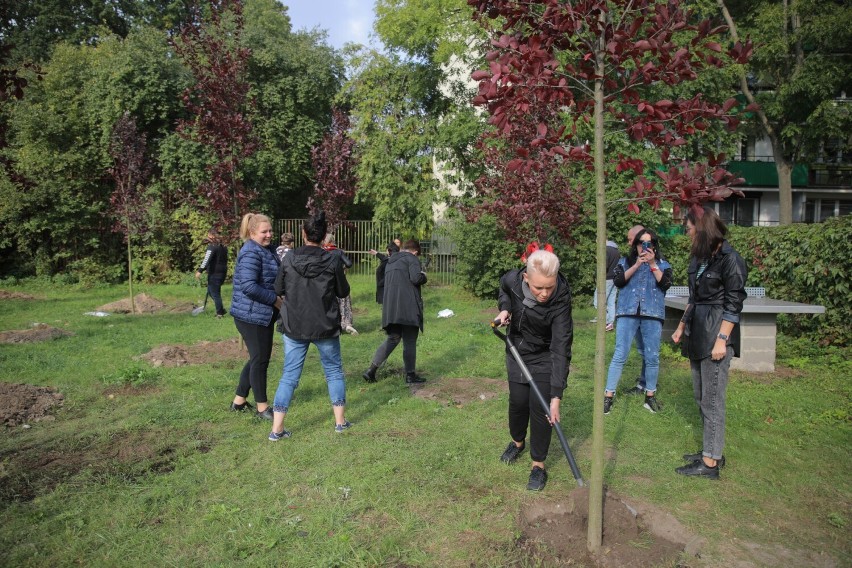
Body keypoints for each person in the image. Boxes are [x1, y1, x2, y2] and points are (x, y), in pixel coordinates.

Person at [673, 206, 747, 479]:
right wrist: (681, 326)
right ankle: (710, 450)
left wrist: (722, 340)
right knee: (701, 397)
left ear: (702, 229)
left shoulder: (731, 260)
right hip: (697, 333)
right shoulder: (700, 260)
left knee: (713, 401)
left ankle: (710, 463)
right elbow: (694, 299)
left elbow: (733, 304)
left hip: (716, 336)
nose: (687, 232)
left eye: (689, 228)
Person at [494, 248, 573, 492]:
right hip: (517, 350)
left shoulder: (560, 299)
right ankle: (517, 442)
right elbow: (503, 289)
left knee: (541, 409)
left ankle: (538, 465)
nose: (544, 293)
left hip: (545, 355)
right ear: (526, 278)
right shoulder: (514, 280)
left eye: (549, 287)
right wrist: (505, 308)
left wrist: (556, 395)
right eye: (539, 288)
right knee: (518, 402)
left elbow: (561, 347)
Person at [269, 211, 352, 440]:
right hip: (324, 324)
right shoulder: (332, 259)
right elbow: (343, 291)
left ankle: (277, 429)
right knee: (333, 371)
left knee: (289, 375)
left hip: (294, 324)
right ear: (324, 234)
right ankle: (340, 422)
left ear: (303, 233)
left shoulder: (289, 259)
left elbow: (278, 289)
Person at [603, 229, 672, 414]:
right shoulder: (624, 262)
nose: (645, 246)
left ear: (655, 246)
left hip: (652, 315)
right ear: (636, 245)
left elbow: (665, 284)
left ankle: (650, 397)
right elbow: (618, 281)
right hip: (627, 312)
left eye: (649, 243)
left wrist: (652, 265)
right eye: (641, 242)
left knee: (652, 356)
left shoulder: (663, 265)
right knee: (620, 354)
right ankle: (608, 396)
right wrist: (636, 265)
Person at [229, 213, 282, 420]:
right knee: (260, 361)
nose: (269, 235)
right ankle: (262, 409)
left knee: (256, 358)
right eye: (264, 232)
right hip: (250, 315)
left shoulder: (264, 249)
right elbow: (249, 286)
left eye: (270, 230)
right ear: (252, 233)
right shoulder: (251, 252)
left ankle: (239, 402)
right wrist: (275, 300)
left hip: (260, 313)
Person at [362, 239, 427, 384]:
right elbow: (416, 278)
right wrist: (424, 275)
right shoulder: (412, 259)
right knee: (409, 339)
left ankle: (371, 370)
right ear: (415, 251)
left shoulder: (390, 261)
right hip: (408, 307)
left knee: (393, 338)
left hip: (391, 308)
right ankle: (410, 375)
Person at [323, 234, 358, 335]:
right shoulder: (338, 252)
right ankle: (347, 324)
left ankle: (332, 324)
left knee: (329, 303)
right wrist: (342, 268)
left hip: (326, 281)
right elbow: (349, 263)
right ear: (333, 241)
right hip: (340, 281)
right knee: (344, 302)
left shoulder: (322, 252)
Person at [195, 229, 229, 318]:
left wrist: (200, 270)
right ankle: (220, 309)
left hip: (215, 273)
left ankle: (220, 314)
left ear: (212, 235)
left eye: (209, 235)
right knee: (211, 291)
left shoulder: (212, 246)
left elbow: (207, 259)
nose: (207, 237)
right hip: (222, 272)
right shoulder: (223, 246)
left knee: (215, 293)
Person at [591, 238, 620, 331]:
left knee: (598, 301)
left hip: (606, 278)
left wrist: (598, 260)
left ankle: (605, 319)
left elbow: (604, 265)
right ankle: (610, 322)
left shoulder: (605, 250)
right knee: (611, 302)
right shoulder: (616, 250)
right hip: (615, 278)